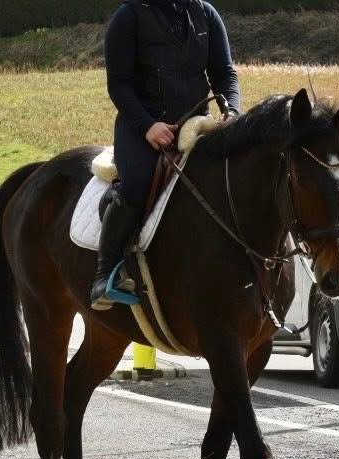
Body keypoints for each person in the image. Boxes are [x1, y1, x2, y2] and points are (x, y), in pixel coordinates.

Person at [90, 0, 241, 310]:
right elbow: (118, 85)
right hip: (142, 127)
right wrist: (148, 126)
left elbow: (224, 73)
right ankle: (105, 275)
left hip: (198, 124)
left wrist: (232, 110)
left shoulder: (206, 14)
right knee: (137, 184)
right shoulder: (128, 17)